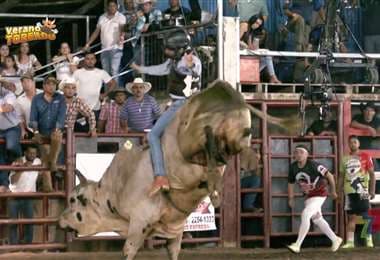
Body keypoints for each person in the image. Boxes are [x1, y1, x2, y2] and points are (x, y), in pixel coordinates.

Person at [130, 30, 201, 196]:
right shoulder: (178, 60)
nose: (166, 51)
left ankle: (160, 175)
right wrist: (139, 68)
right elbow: (161, 69)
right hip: (191, 103)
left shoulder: (186, 61)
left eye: (170, 49)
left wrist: (189, 65)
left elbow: (189, 67)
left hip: (181, 104)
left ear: (179, 49)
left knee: (153, 135)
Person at [287, 145, 342, 253]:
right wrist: (291, 197)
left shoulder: (314, 165)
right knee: (317, 219)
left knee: (306, 214)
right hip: (308, 197)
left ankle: (297, 244)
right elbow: (290, 182)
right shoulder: (293, 167)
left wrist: (333, 191)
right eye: (296, 152)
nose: (298, 154)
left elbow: (329, 175)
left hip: (320, 194)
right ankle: (335, 239)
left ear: (307, 155)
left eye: (301, 152)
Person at [30, 76, 66, 192]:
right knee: (45, 151)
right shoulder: (37, 99)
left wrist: (57, 128)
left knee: (56, 136)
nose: (52, 86)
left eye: (54, 84)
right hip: (41, 131)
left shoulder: (60, 98)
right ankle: (49, 181)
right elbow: (33, 117)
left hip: (55, 131)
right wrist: (35, 132)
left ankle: (53, 163)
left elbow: (61, 116)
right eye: (49, 84)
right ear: (44, 86)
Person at [339, 136, 376, 249]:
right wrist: (338, 190)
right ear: (348, 145)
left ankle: (368, 239)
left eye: (355, 142)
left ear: (359, 144)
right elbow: (341, 176)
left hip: (362, 190)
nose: (352, 144)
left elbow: (372, 174)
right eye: (350, 142)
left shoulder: (366, 156)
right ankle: (350, 241)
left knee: (366, 216)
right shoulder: (344, 159)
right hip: (349, 191)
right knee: (351, 217)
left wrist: (372, 190)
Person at [8, 145, 41, 244]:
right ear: (25, 153)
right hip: (14, 195)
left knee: (29, 223)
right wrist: (22, 168)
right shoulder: (18, 161)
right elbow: (13, 181)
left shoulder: (38, 161)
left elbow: (42, 173)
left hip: (29, 196)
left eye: (34, 153)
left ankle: (27, 246)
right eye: (30, 153)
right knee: (13, 223)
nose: (32, 155)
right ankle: (14, 247)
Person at [84, 0, 126, 78]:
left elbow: (122, 28)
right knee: (105, 72)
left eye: (114, 6)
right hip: (104, 49)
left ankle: (115, 90)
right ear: (107, 7)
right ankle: (108, 90)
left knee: (114, 71)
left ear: (117, 7)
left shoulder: (121, 17)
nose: (112, 8)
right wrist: (88, 44)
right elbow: (96, 32)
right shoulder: (102, 17)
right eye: (110, 6)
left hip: (116, 48)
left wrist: (121, 36)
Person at [72, 52, 116, 121]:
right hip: (79, 108)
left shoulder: (101, 72)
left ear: (95, 60)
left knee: (94, 130)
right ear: (84, 60)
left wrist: (105, 95)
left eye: (92, 59)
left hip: (95, 108)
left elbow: (113, 83)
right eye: (88, 59)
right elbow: (70, 85)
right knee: (79, 130)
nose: (90, 61)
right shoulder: (77, 72)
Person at [240, 14, 281, 83]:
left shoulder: (252, 31)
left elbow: (250, 46)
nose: (257, 25)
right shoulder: (244, 25)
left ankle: (271, 76)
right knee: (266, 57)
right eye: (256, 23)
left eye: (259, 24)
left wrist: (256, 43)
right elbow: (235, 39)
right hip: (239, 51)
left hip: (247, 51)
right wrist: (244, 45)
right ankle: (272, 77)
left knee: (267, 57)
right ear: (253, 20)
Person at [0, 86, 22, 193]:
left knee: (11, 146)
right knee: (0, 158)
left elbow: (8, 108)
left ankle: (19, 156)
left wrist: (2, 108)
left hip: (12, 127)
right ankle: (4, 184)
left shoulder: (9, 94)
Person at [16, 73, 43, 139]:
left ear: (33, 82)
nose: (26, 84)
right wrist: (22, 130)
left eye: (28, 81)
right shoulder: (19, 100)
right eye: (23, 82)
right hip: (30, 131)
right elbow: (20, 118)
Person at [240, 145, 263, 212]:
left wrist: (257, 162)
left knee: (256, 180)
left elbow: (257, 176)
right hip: (234, 181)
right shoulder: (244, 154)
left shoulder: (255, 161)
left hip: (242, 182)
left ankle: (248, 205)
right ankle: (248, 205)